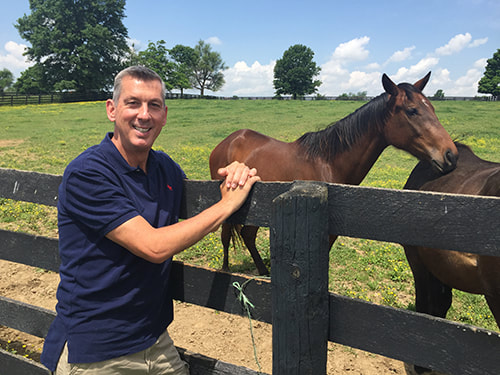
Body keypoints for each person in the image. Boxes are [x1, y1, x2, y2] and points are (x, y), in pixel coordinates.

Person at [40, 65, 260, 374]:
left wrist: (237, 173)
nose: (144, 114)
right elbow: (154, 247)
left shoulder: (164, 168)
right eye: (133, 103)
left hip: (154, 341)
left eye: (154, 105)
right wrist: (226, 206)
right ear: (112, 109)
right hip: (97, 350)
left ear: (165, 115)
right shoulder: (88, 172)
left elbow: (201, 204)